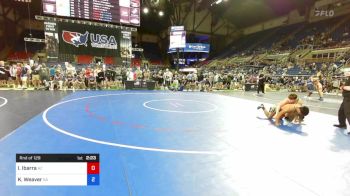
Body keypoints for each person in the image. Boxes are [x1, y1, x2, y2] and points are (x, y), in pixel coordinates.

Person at [334, 68, 350, 134]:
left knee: (348, 113)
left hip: (349, 98)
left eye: (347, 71)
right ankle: (342, 124)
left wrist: (343, 87)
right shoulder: (348, 79)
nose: (345, 73)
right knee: (341, 111)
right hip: (346, 98)